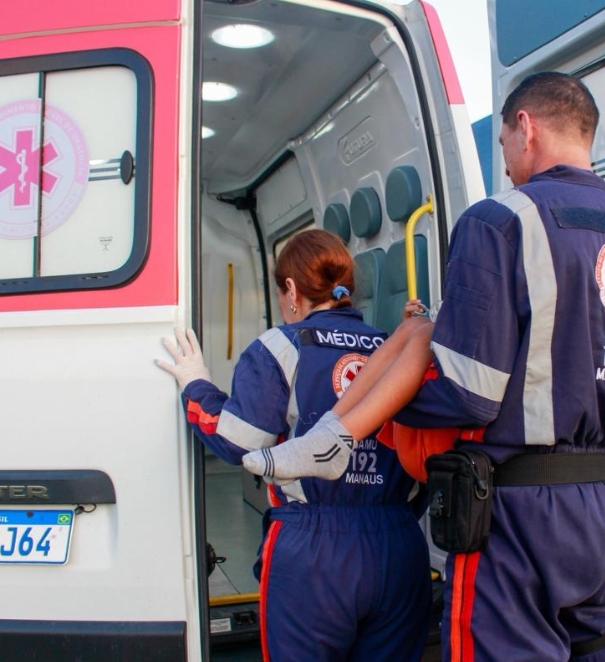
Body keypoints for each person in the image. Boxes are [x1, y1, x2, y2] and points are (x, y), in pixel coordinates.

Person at [246, 72, 605, 661]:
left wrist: (396, 392)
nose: (505, 162)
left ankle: (337, 435)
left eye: (502, 144)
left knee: (419, 330)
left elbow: (470, 394)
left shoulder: (500, 220)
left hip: (522, 518)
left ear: (524, 127)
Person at [156, 229, 431, 662]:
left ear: (290, 289)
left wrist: (196, 384)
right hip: (399, 544)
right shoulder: (398, 348)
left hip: (313, 553)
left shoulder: (279, 346)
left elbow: (237, 443)